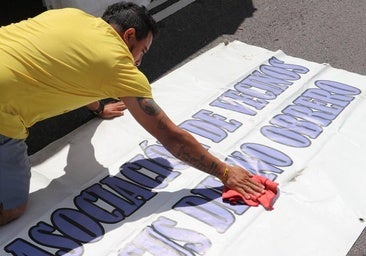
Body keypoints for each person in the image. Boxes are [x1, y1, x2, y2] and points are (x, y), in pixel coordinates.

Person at [0, 1, 264, 226]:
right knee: (13, 207)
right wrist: (226, 173)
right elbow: (171, 136)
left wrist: (98, 107)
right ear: (128, 36)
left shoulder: (71, 16)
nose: (139, 61)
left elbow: (67, 68)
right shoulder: (120, 67)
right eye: (142, 51)